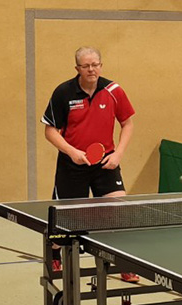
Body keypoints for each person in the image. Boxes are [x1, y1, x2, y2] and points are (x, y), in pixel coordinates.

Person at [42, 46, 138, 281]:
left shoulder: (113, 90)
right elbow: (50, 130)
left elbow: (127, 123)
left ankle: (122, 262)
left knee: (118, 211)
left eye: (95, 65)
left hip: (106, 163)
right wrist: (72, 151)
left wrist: (118, 154)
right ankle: (54, 252)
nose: (91, 69)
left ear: (101, 66)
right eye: (85, 66)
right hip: (72, 165)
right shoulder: (63, 92)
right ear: (77, 68)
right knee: (66, 220)